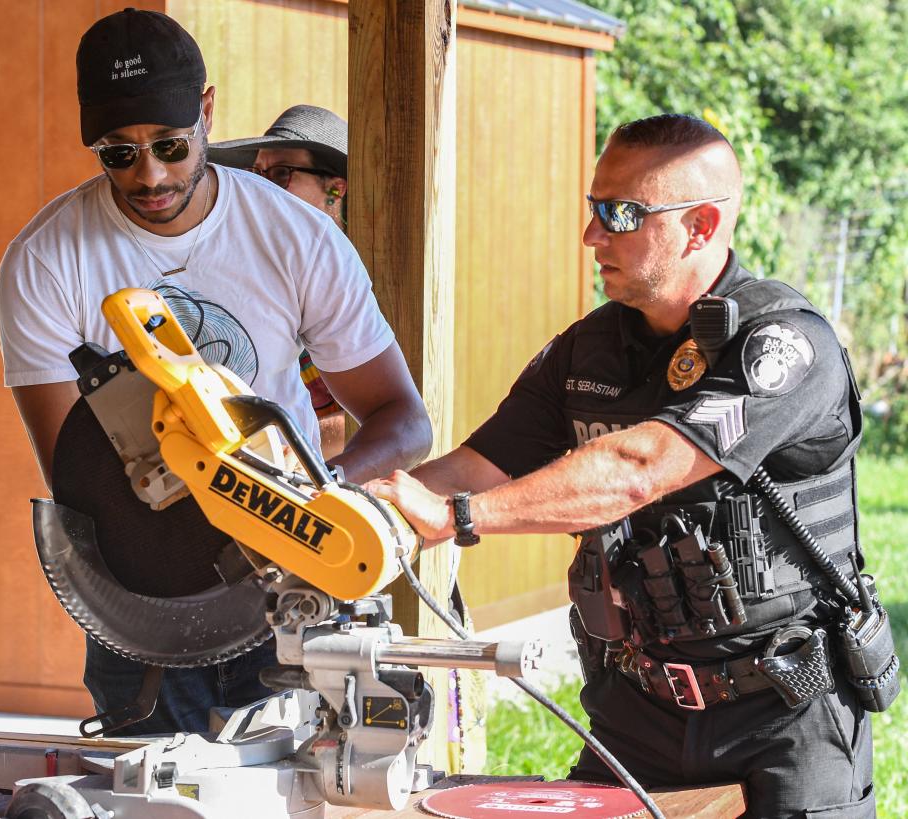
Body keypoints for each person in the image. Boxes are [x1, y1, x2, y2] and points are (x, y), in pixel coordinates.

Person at [369, 114, 875, 817]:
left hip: (783, 715)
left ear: (699, 226)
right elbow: (474, 466)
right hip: (636, 715)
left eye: (621, 214)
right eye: (593, 209)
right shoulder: (586, 351)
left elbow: (641, 465)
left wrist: (457, 519)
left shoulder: (788, 346)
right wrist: (352, 505)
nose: (592, 235)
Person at [0, 9, 431, 735]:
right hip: (146, 607)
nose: (151, 175)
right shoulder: (46, 259)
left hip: (296, 585)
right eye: (119, 154)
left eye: (169, 145)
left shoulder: (297, 237)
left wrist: (307, 502)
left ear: (206, 111)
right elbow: (77, 480)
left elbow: (403, 419)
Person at [209, 104, 350, 461]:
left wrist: (274, 448)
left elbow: (374, 419)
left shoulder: (355, 286)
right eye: (257, 172)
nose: (259, 187)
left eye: (281, 173)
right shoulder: (248, 268)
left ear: (335, 191)